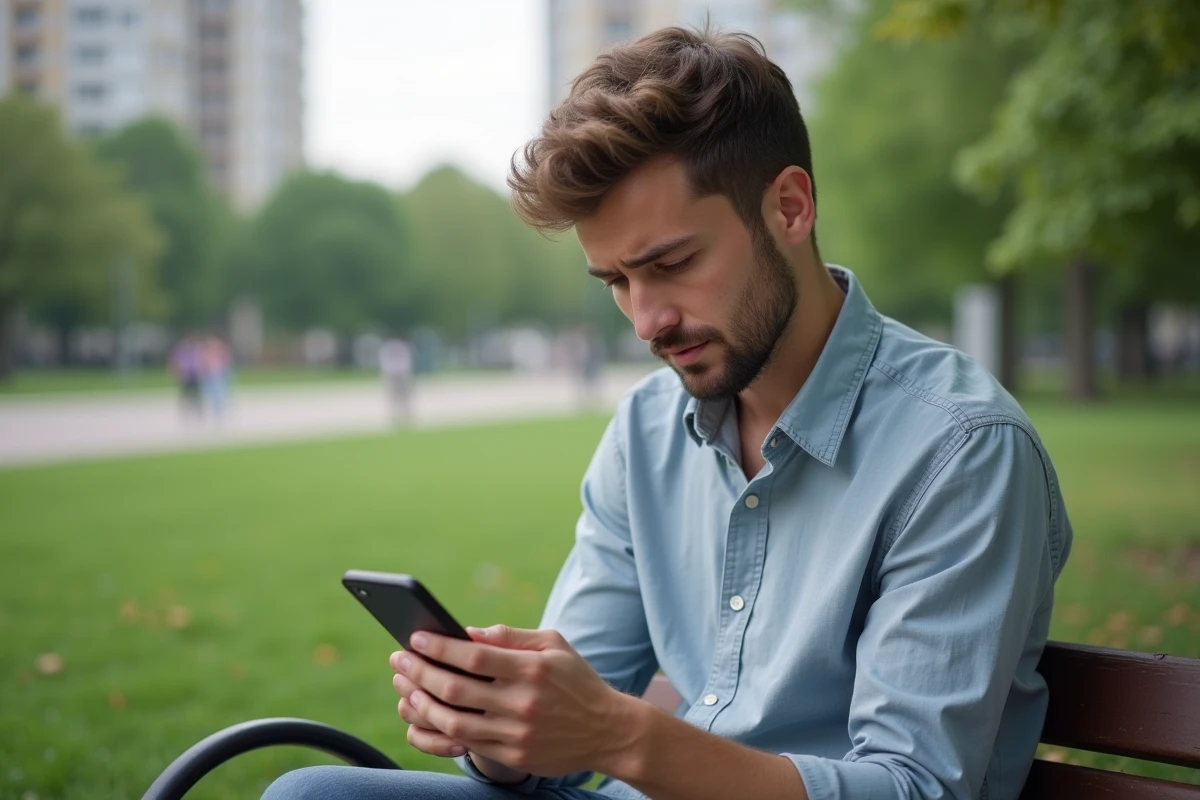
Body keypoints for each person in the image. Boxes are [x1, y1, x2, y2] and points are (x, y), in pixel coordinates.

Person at [264, 25, 1073, 800]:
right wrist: (500, 727)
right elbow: (562, 743)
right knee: (312, 792)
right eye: (616, 282)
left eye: (673, 263)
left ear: (790, 208)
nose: (647, 321)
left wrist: (620, 737)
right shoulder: (647, 431)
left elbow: (915, 787)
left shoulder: (960, 449)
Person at [379, 336, 415, 424]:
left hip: (396, 373)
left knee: (400, 397)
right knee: (399, 397)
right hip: (399, 373)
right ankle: (400, 416)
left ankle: (401, 416)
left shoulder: (388, 348)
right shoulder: (401, 347)